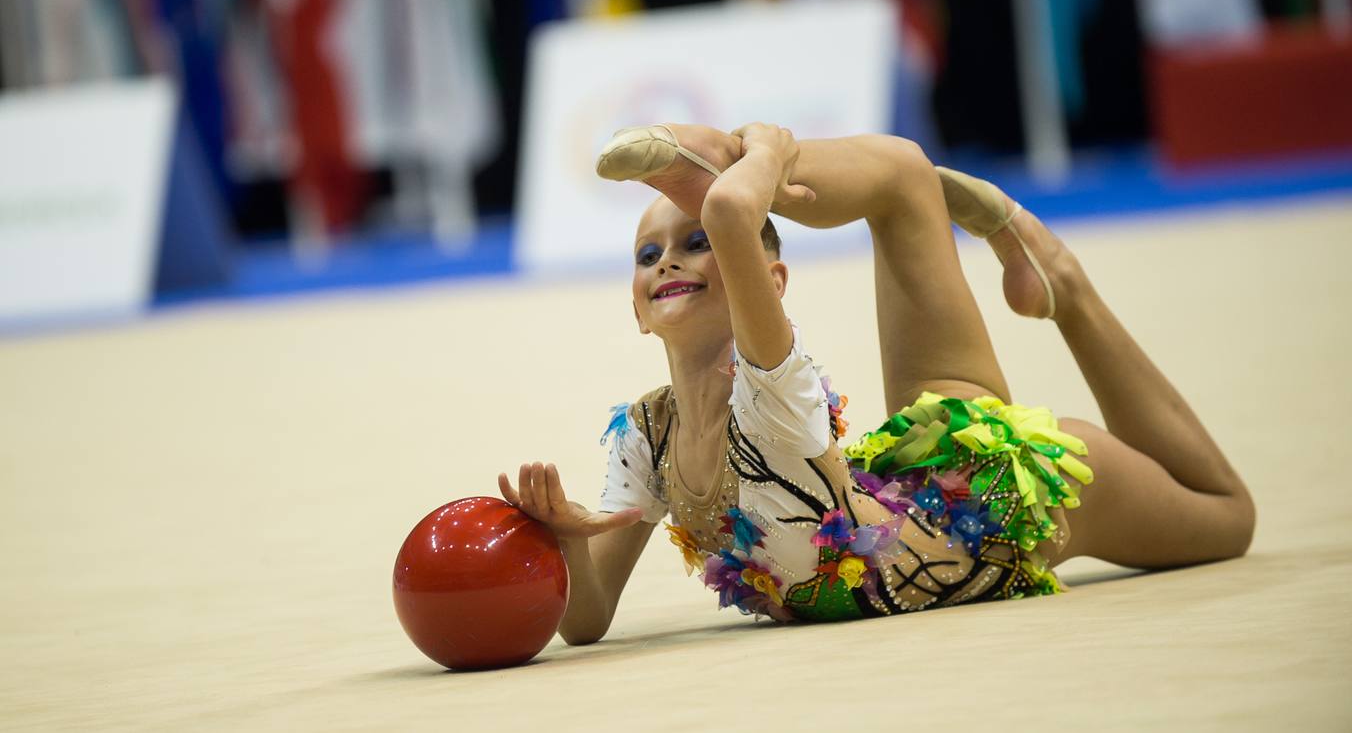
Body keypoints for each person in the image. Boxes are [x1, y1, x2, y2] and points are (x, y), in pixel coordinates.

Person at [497, 123, 1255, 640]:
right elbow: (585, 621)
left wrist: (757, 148)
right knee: (901, 176)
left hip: (1005, 504)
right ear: (636, 309)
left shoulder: (773, 396)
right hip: (923, 475)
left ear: (770, 279)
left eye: (694, 243)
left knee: (1228, 517)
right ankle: (1043, 273)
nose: (666, 262)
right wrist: (565, 537)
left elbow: (733, 207)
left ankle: (1067, 289)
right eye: (647, 254)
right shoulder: (645, 435)